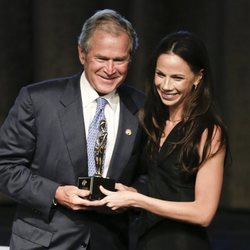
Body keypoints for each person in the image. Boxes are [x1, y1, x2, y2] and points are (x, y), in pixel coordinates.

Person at [0, 9, 145, 250]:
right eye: (101, 58)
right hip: (45, 242)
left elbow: (150, 173)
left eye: (119, 60)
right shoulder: (38, 100)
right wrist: (55, 193)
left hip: (110, 241)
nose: (110, 69)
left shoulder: (141, 107)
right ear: (82, 53)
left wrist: (134, 193)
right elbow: (4, 167)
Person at [93, 31, 229, 249]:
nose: (165, 86)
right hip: (147, 239)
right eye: (160, 74)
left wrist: (138, 201)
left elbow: (203, 213)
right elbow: (159, 184)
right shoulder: (152, 120)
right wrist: (133, 193)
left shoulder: (208, 132)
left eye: (177, 78)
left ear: (198, 77)